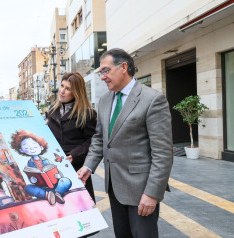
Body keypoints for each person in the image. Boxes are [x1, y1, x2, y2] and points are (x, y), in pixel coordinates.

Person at [77, 48, 173, 237]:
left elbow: (162, 153)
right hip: (114, 187)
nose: (102, 77)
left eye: (106, 70)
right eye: (100, 72)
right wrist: (88, 166)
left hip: (141, 190)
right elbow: (99, 138)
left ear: (123, 67)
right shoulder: (105, 100)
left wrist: (152, 194)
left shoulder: (152, 99)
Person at [47, 72, 97, 202]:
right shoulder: (52, 110)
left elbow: (92, 141)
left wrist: (74, 155)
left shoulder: (87, 113)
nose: (62, 91)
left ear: (76, 92)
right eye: (62, 86)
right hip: (55, 166)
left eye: (68, 88)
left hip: (76, 168)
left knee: (80, 207)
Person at [10, 130, 72, 205]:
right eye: (27, 147)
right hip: (43, 188)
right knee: (28, 188)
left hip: (55, 184)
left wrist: (59, 176)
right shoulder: (30, 163)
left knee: (66, 181)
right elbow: (32, 178)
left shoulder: (46, 160)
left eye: (35, 146)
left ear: (41, 147)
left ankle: (57, 193)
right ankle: (47, 195)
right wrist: (33, 180)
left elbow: (56, 170)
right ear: (21, 150)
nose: (32, 149)